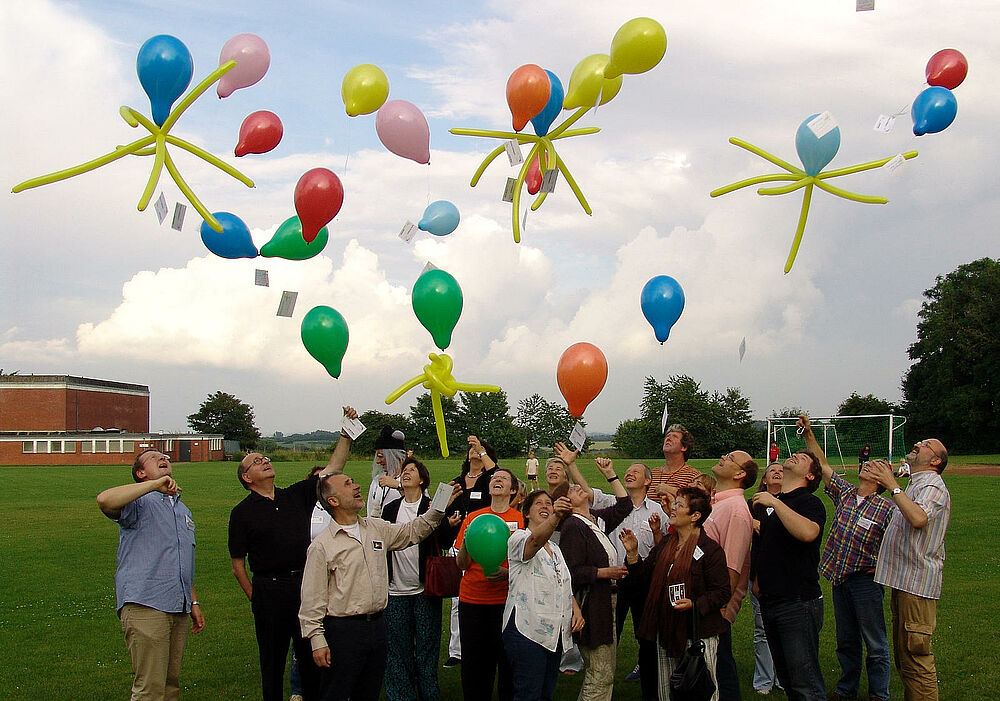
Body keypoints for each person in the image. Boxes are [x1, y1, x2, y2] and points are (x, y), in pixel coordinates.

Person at [228, 407, 356, 701]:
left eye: (265, 458)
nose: (265, 461)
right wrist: (256, 598)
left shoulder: (294, 496)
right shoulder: (242, 513)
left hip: (304, 589)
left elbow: (332, 470)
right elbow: (238, 565)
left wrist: (345, 434)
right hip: (269, 591)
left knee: (312, 657)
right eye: (257, 462)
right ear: (247, 477)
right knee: (272, 663)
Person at [298, 471, 451, 701]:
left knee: (369, 691)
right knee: (337, 692)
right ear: (333, 501)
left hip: (378, 627)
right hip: (343, 632)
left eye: (353, 480)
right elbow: (312, 599)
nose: (356, 486)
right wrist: (317, 640)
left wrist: (438, 506)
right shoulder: (322, 546)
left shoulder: (375, 528)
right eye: (348, 484)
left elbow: (412, 532)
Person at [97, 450, 206, 701]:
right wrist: (153, 486)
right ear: (140, 473)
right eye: (154, 456)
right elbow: (104, 499)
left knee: (170, 685)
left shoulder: (182, 509)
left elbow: (181, 559)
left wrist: (193, 601)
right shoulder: (137, 503)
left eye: (165, 455)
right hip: (146, 603)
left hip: (177, 605)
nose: (163, 457)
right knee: (150, 688)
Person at [799, 416, 893, 701]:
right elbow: (823, 465)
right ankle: (846, 689)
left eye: (878, 466)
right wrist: (809, 435)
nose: (870, 465)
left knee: (875, 642)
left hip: (865, 582)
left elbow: (897, 545)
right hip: (840, 580)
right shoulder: (847, 494)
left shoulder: (887, 508)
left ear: (882, 480)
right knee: (846, 640)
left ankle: (879, 693)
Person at [623, 487, 731, 701]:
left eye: (680, 505)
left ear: (695, 516)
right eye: (675, 504)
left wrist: (694, 604)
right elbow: (644, 579)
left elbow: (722, 592)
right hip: (665, 629)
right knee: (667, 691)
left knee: (700, 690)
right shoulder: (666, 544)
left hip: (697, 633)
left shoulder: (709, 551)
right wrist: (633, 554)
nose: (672, 508)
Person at [869, 439, 951, 701]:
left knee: (917, 660)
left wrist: (893, 486)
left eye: (925, 445)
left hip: (917, 587)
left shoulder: (933, 486)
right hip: (905, 584)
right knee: (906, 660)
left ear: (936, 461)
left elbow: (918, 519)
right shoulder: (917, 484)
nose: (918, 443)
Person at [381, 457, 462, 701]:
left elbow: (446, 542)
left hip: (424, 590)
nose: (405, 474)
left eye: (411, 470)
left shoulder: (431, 505)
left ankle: (429, 694)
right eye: (403, 471)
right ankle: (401, 695)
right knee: (397, 650)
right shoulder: (390, 509)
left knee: (426, 649)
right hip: (395, 591)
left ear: (422, 479)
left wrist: (446, 519)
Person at [750, 451, 826, 701]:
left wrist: (776, 503)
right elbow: (769, 549)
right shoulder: (777, 505)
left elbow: (808, 533)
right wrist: (759, 583)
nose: (794, 456)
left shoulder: (809, 503)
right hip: (772, 600)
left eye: (802, 458)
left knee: (806, 683)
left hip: (798, 602)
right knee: (789, 681)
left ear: (810, 474)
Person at [559, 466, 635, 701]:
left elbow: (625, 505)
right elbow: (570, 572)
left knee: (605, 669)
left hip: (605, 600)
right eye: (571, 489)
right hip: (591, 604)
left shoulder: (595, 519)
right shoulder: (573, 526)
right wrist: (603, 572)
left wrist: (611, 474)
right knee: (600, 672)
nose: (576, 487)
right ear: (567, 504)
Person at [503, 490, 585, 701]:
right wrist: (557, 515)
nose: (545, 507)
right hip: (526, 630)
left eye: (549, 503)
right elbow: (534, 543)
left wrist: (576, 611)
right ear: (527, 513)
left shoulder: (556, 548)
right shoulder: (518, 538)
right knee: (528, 693)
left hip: (553, 634)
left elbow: (562, 583)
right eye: (538, 503)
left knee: (545, 691)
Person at [454, 467, 523, 701]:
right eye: (494, 478)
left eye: (503, 478)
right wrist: (467, 541)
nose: (497, 480)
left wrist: (507, 572)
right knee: (474, 664)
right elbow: (461, 564)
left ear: (513, 490)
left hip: (506, 602)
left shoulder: (520, 520)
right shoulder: (474, 518)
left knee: (507, 661)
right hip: (472, 600)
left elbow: (527, 562)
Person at [705, 451, 758, 701]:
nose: (723, 457)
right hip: (703, 603)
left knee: (720, 672)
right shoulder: (717, 503)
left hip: (715, 608)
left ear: (740, 474)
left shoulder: (736, 510)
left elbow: (732, 567)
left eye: (730, 457)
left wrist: (720, 609)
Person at [443, 435, 499, 669]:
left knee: (487, 591)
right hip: (458, 544)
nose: (473, 451)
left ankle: (487, 645)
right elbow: (437, 508)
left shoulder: (490, 479)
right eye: (472, 448)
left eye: (480, 449)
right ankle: (457, 650)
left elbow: (498, 473)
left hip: (485, 541)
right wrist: (448, 515)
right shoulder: (456, 481)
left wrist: (482, 451)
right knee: (458, 599)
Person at [747, 464, 782, 696]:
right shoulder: (754, 505)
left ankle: (784, 678)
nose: (778, 472)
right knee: (762, 629)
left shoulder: (794, 502)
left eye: (782, 470)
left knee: (785, 629)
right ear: (764, 480)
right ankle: (763, 679)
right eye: (772, 471)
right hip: (758, 574)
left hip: (786, 577)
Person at [647, 423, 701, 502]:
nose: (668, 438)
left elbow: (698, 503)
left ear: (684, 447)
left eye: (674, 436)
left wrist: (672, 491)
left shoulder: (693, 476)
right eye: (667, 436)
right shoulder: (653, 473)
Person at [368, 425, 407, 519]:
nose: (378, 461)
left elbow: (420, 505)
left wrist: (398, 485)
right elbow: (370, 511)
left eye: (381, 456)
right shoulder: (377, 480)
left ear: (394, 456)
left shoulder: (412, 478)